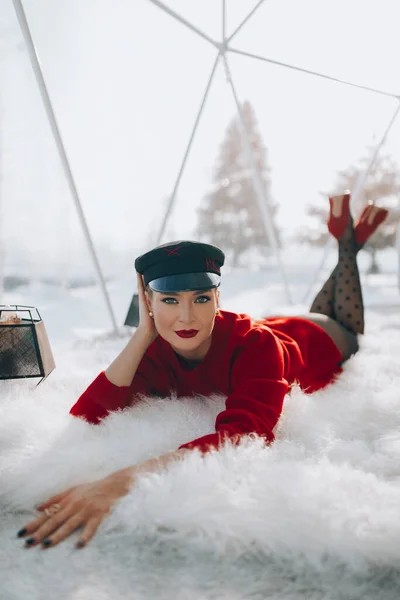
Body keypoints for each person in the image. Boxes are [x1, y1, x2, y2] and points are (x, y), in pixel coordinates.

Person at [17, 191, 388, 551]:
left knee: (345, 320)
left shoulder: (258, 347)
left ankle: (348, 244)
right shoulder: (153, 348)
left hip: (319, 338)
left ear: (217, 299)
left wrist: (122, 480)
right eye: (169, 300)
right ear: (148, 302)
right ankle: (348, 240)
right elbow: (88, 415)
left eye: (201, 299)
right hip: (276, 322)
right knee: (331, 297)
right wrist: (141, 336)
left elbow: (244, 434)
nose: (185, 317)